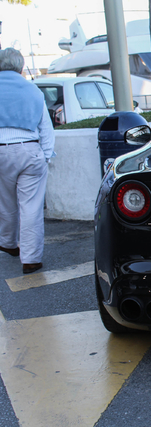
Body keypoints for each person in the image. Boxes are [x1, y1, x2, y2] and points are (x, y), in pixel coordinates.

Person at [0, 48, 55, 274]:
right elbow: (46, 128)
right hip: (30, 150)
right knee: (30, 207)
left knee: (5, 202)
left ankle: (7, 242)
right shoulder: (33, 90)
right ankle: (30, 259)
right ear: (21, 66)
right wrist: (47, 156)